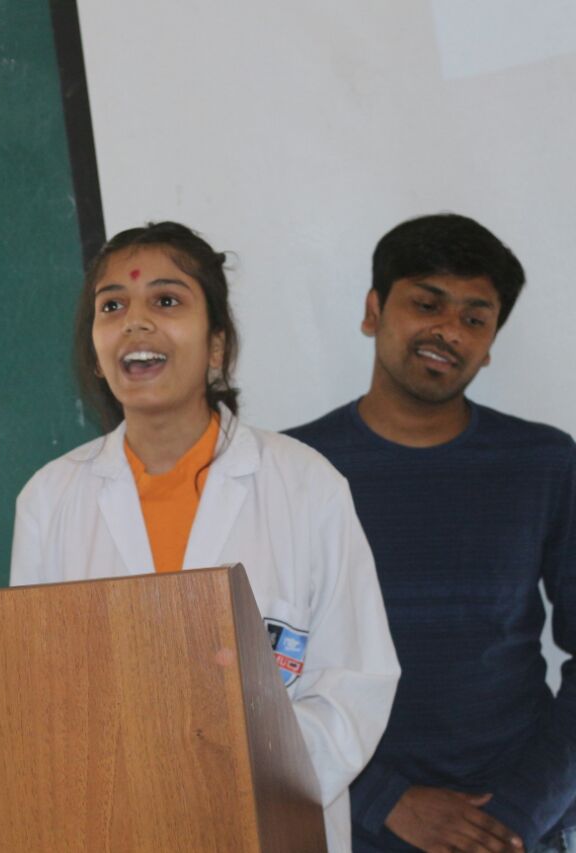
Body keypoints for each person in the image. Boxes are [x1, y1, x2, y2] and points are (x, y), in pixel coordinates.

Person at [10, 222, 400, 852]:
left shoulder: (307, 486)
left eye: (166, 300)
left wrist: (235, 779)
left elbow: (356, 684)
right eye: (112, 306)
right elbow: (38, 696)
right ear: (95, 351)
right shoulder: (50, 501)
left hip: (269, 826)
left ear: (217, 346)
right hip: (114, 827)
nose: (136, 322)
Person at [288, 213, 575, 853]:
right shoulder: (294, 469)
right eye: (427, 303)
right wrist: (384, 801)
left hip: (516, 828)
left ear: (490, 343)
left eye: (475, 317)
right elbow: (257, 674)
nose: (449, 330)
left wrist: (519, 816)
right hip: (346, 824)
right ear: (373, 311)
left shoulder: (545, 463)